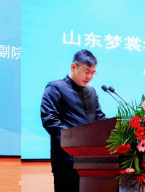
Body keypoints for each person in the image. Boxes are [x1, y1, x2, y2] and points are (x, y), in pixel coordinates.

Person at [40, 49, 106, 192]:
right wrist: (77, 141)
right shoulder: (55, 88)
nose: (89, 76)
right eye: (86, 71)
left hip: (92, 162)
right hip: (66, 162)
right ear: (73, 66)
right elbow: (50, 121)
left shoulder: (91, 92)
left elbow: (100, 119)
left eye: (93, 73)